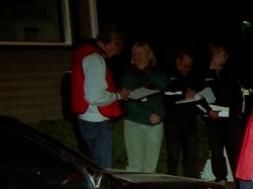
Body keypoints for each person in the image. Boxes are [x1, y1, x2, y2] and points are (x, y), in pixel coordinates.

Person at [70, 24, 129, 169]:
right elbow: (95, 97)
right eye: (117, 48)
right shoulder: (95, 58)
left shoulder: (82, 53)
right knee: (103, 169)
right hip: (98, 122)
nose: (116, 53)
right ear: (113, 43)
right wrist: (118, 96)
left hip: (85, 119)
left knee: (92, 166)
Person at [119, 41, 169, 172]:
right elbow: (128, 100)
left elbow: (164, 84)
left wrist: (145, 70)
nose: (137, 57)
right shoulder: (128, 74)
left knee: (150, 167)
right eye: (134, 54)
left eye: (141, 54)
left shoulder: (157, 72)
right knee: (135, 166)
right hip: (135, 122)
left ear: (149, 56)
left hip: (156, 124)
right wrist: (148, 115)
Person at [203, 43, 244, 182]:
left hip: (231, 120)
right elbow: (197, 97)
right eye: (222, 55)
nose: (225, 57)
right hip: (212, 120)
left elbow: (238, 96)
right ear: (214, 56)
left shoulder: (230, 74)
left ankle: (240, 182)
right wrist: (208, 111)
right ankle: (221, 179)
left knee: (235, 151)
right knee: (216, 151)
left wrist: (236, 113)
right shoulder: (202, 75)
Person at [163, 49, 203, 177]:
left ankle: (191, 183)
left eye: (190, 66)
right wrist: (182, 94)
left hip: (190, 121)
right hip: (173, 122)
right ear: (178, 61)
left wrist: (197, 95)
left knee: (191, 156)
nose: (187, 68)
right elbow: (165, 94)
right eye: (185, 65)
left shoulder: (193, 76)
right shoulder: (168, 74)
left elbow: (199, 94)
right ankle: (171, 184)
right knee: (173, 156)